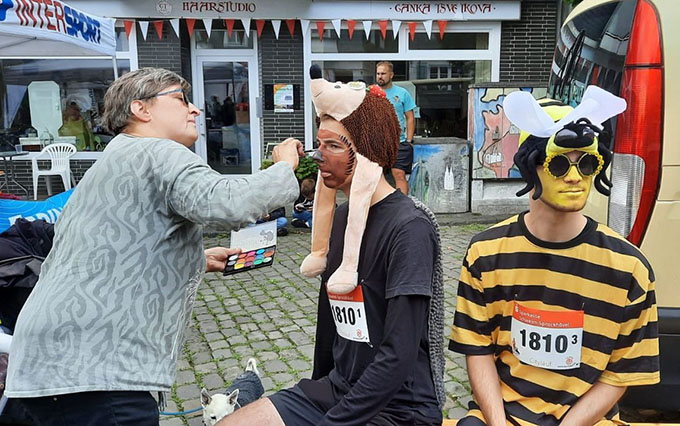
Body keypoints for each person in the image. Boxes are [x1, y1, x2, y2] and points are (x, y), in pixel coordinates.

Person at [5, 67, 303, 426]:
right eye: (180, 99)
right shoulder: (158, 152)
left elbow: (112, 246)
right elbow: (228, 203)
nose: (194, 109)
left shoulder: (111, 161)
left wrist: (196, 259)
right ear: (140, 110)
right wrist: (284, 167)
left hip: (38, 368)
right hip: (101, 373)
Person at [217, 65, 445, 426]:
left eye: (334, 146)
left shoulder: (410, 228)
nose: (318, 156)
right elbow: (331, 323)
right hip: (340, 389)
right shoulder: (341, 219)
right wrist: (318, 385)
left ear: (368, 152)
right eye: (318, 144)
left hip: (399, 408)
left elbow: (399, 353)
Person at [449, 87, 660, 425]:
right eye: (559, 164)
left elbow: (621, 372)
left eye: (588, 163)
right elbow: (478, 349)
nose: (576, 177)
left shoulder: (629, 267)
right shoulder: (486, 253)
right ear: (530, 167)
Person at [376, 61, 416, 195]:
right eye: (378, 74)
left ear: (391, 75)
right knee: (375, 177)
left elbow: (410, 117)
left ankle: (402, 209)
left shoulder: (402, 93)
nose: (380, 76)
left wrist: (409, 141)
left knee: (399, 175)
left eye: (383, 73)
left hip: (399, 142)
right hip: (377, 143)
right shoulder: (371, 92)